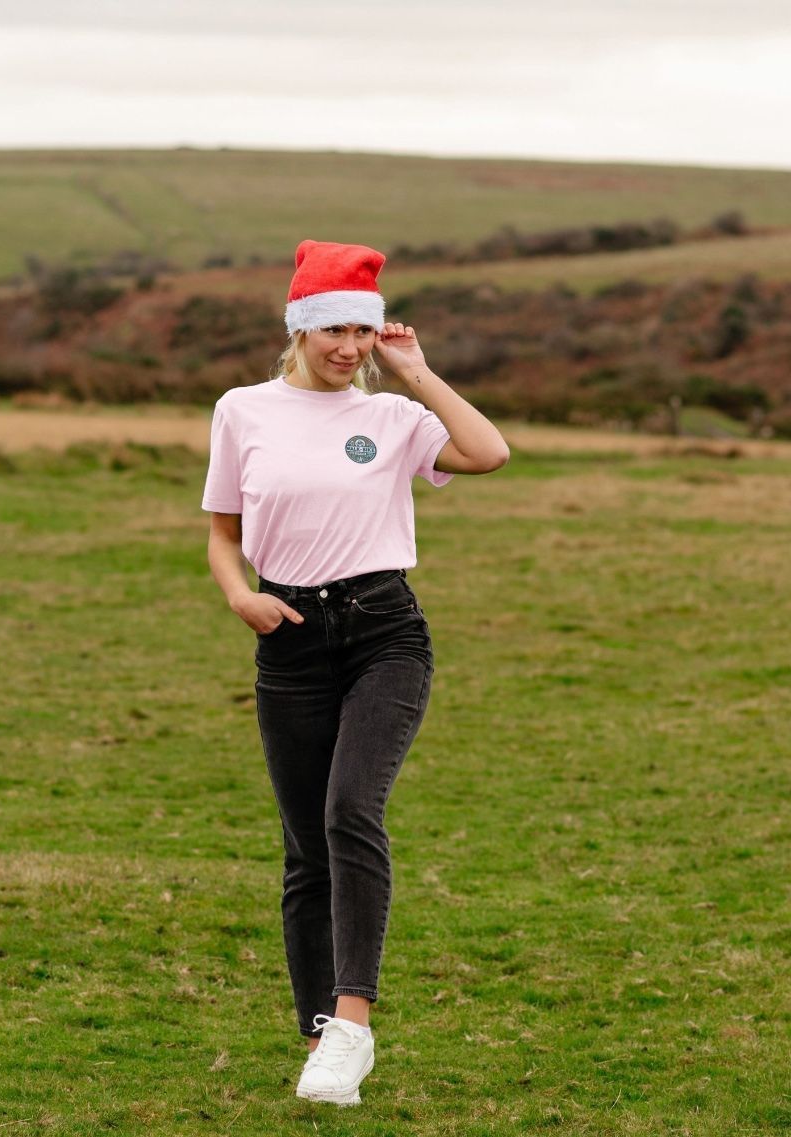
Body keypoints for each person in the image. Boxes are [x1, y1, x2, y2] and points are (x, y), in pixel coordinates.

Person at [202, 239, 508, 1106]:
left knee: (350, 809)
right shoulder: (242, 410)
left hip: (384, 631)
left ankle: (354, 1024)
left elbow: (489, 452)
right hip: (288, 634)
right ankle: (322, 1037)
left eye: (363, 332)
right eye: (333, 328)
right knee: (306, 850)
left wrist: (415, 371)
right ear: (299, 328)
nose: (348, 346)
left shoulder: (397, 418)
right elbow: (223, 531)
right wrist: (240, 598)